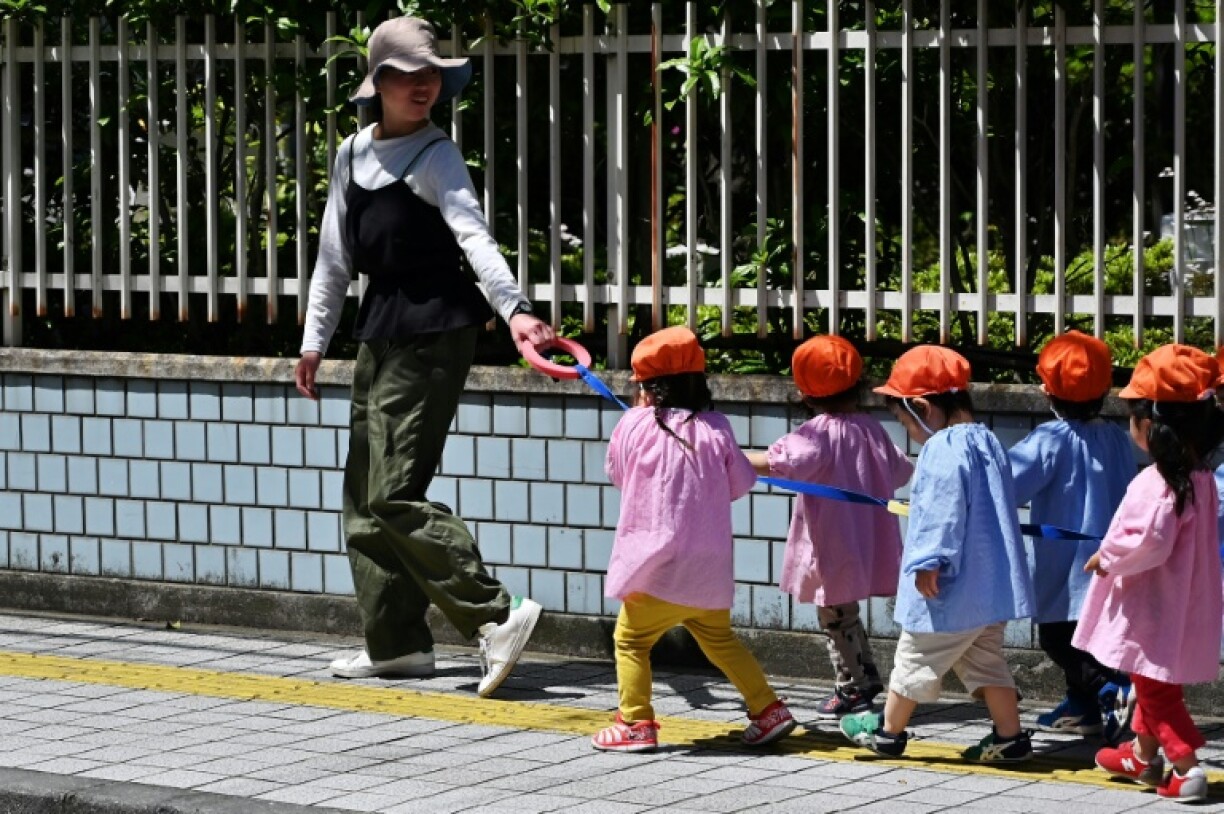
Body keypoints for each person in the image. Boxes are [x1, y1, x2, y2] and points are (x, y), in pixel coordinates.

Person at [293, 16, 554, 697]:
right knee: (360, 501)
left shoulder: (437, 154)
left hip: (437, 328)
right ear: (377, 81)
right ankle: (397, 644)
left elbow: (475, 238)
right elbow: (333, 259)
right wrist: (313, 342)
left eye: (433, 73)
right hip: (381, 329)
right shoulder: (352, 153)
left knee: (394, 492)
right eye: (409, 73)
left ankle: (495, 616)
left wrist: (518, 311)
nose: (425, 84)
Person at [592, 326, 796, 752]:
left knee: (631, 640)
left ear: (647, 389)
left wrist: (636, 417)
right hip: (708, 569)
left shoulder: (631, 426)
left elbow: (618, 475)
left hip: (654, 568)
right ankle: (767, 708)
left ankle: (635, 723)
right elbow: (738, 482)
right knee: (721, 641)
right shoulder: (717, 427)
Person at [839, 345, 1036, 763]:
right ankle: (1010, 737)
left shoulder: (941, 448)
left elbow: (942, 510)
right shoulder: (988, 441)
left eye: (903, 420)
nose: (907, 430)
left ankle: (888, 733)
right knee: (986, 661)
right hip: (989, 586)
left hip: (951, 584)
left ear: (923, 408)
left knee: (915, 653)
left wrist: (930, 558)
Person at [1077, 344, 1223, 803]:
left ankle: (1186, 767)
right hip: (1182, 602)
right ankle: (1142, 755)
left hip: (1153, 604)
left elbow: (1148, 542)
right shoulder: (1201, 478)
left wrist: (1108, 557)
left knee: (1156, 692)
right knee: (1153, 682)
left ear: (1151, 424)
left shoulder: (1158, 482)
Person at [745, 335, 913, 719]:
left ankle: (853, 686)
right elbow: (901, 470)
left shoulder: (817, 432)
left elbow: (780, 461)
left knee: (834, 615)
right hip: (868, 537)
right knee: (844, 612)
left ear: (805, 392)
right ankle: (863, 677)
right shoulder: (870, 428)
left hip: (831, 541)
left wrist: (728, 458)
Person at [1007, 331, 1136, 741]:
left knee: (1059, 640)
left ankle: (1109, 691)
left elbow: (1008, 485)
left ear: (1047, 390)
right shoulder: (1118, 437)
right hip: (1112, 561)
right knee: (1095, 638)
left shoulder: (1049, 440)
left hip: (1066, 568)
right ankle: (1081, 708)